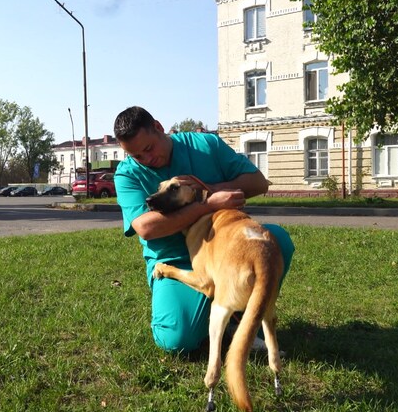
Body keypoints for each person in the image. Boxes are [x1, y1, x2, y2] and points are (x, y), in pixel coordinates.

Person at [113, 106, 295, 353]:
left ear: (158, 127)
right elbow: (145, 228)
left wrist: (204, 188)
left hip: (225, 251)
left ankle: (239, 321)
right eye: (137, 156)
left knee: (275, 241)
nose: (147, 160)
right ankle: (217, 313)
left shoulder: (205, 145)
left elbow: (258, 182)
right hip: (173, 258)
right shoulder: (127, 174)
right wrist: (205, 204)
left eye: (148, 149)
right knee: (176, 340)